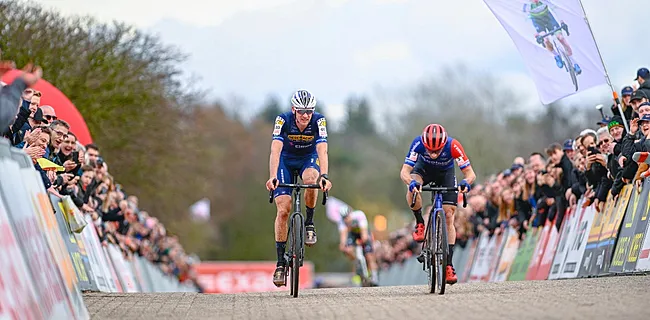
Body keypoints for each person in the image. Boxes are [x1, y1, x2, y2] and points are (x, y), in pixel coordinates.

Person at [265, 89, 333, 287]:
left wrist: (325, 176)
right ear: (293, 109)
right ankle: (280, 264)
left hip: (307, 160)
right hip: (285, 161)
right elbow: (275, 150)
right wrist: (272, 176)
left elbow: (322, 149)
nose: (305, 116)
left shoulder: (319, 121)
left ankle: (309, 223)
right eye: (302, 111)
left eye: (309, 111)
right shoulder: (282, 119)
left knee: (312, 178)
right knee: (283, 209)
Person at [399, 123, 476, 284]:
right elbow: (405, 171)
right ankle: (420, 222)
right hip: (423, 171)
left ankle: (448, 265)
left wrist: (466, 183)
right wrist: (411, 183)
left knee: (449, 216)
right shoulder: (418, 143)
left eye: (437, 151)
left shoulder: (453, 145)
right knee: (413, 186)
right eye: (430, 150)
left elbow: (470, 173)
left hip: (445, 174)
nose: (433, 154)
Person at [523, 0, 581, 74]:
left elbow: (555, 9)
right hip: (538, 22)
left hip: (549, 18)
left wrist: (562, 21)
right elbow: (526, 19)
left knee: (561, 38)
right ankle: (556, 55)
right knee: (545, 40)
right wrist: (535, 33)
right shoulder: (527, 5)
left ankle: (574, 62)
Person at [338, 206, 378, 286]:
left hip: (362, 232)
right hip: (352, 235)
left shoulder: (359, 215)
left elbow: (364, 235)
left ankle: (374, 276)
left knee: (369, 255)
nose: (346, 220)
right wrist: (343, 246)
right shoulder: (342, 222)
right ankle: (357, 264)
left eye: (347, 217)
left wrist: (361, 242)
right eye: (344, 218)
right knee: (348, 250)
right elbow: (343, 236)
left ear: (351, 214)